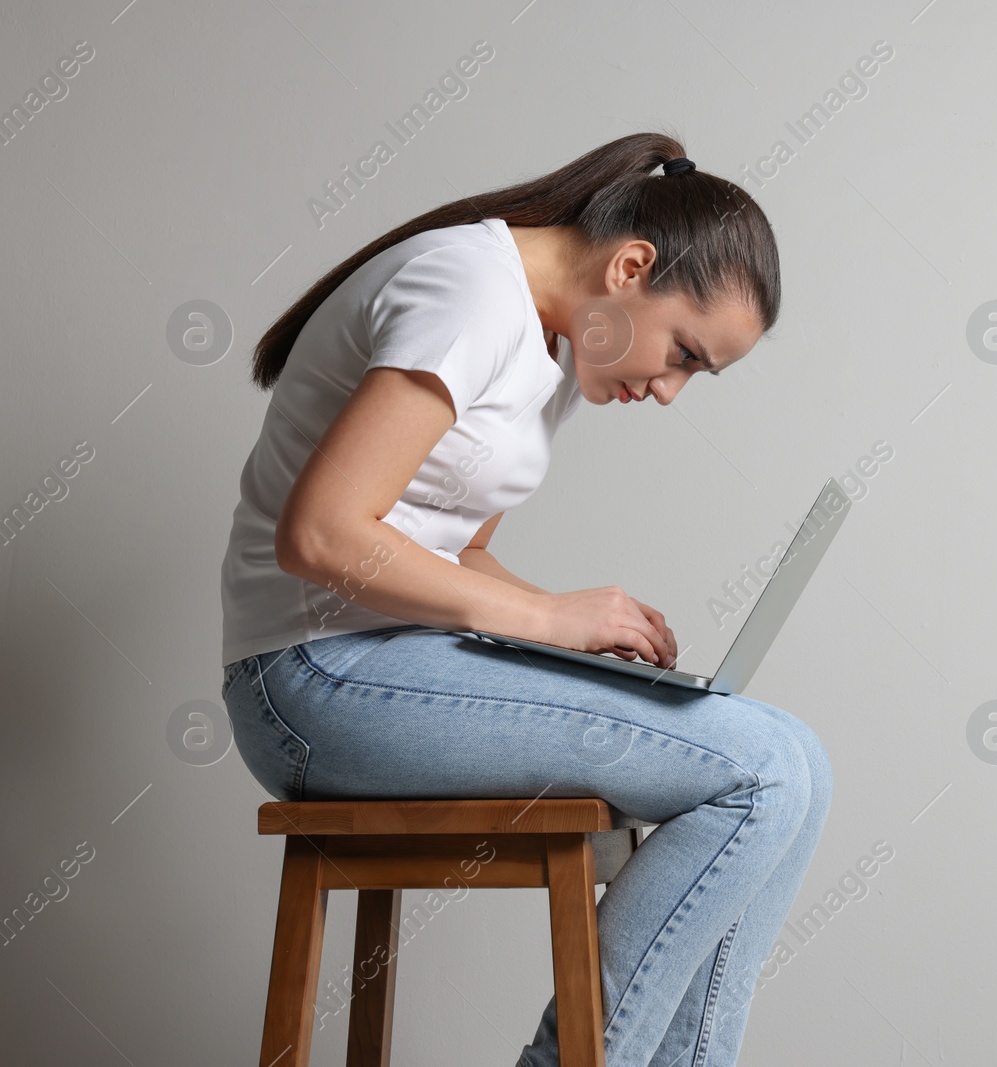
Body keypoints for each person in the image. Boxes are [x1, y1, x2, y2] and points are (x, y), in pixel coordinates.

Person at [217, 131, 832, 1067]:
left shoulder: (553, 340)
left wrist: (577, 631)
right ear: (631, 266)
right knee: (765, 773)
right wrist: (546, 622)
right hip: (311, 677)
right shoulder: (470, 295)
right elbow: (323, 536)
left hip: (383, 661)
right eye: (684, 355)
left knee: (799, 766)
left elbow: (452, 553)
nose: (668, 392)